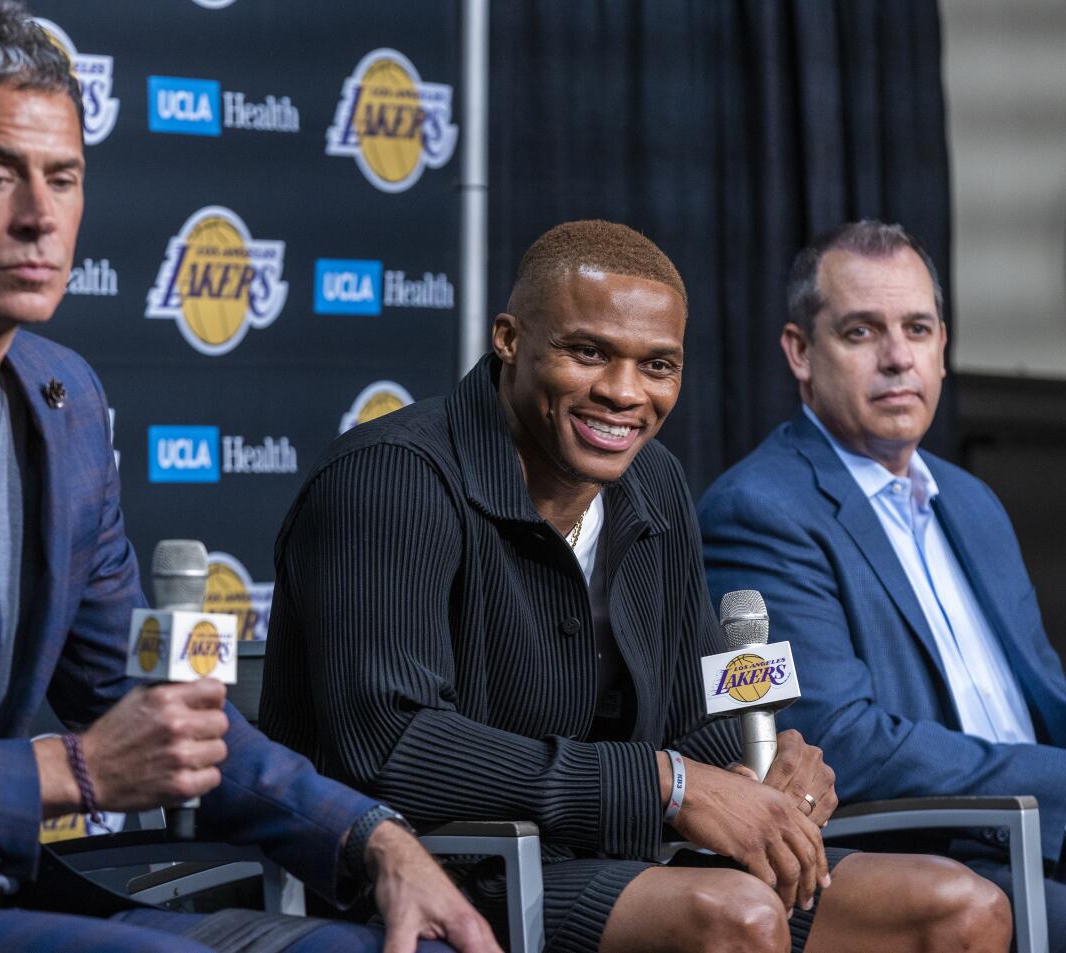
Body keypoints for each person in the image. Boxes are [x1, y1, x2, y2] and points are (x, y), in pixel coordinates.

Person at [0, 4, 501, 952]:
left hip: (14, 892)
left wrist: (375, 836)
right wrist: (63, 773)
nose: (40, 216)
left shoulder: (64, 399)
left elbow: (153, 701)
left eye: (64, 177)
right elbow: (92, 754)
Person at [260, 219, 1012, 953]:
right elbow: (393, 748)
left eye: (658, 365)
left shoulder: (652, 480)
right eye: (589, 352)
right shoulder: (390, 478)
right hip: (442, 864)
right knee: (740, 918)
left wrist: (769, 765)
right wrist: (668, 784)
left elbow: (693, 718)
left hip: (623, 854)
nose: (624, 392)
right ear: (509, 339)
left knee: (962, 908)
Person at [698, 219, 1066, 948]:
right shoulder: (759, 509)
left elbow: (1042, 700)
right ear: (801, 352)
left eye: (918, 328)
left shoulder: (971, 500)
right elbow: (839, 741)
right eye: (863, 332)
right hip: (936, 857)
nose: (899, 358)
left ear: (943, 347)